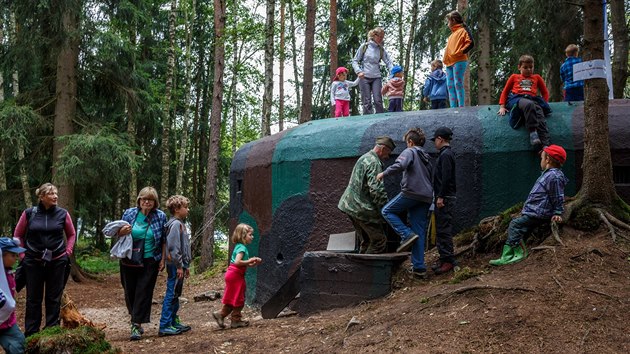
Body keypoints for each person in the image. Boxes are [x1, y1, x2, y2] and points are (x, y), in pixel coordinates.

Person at [13, 183, 76, 337]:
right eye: (51, 193)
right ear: (41, 197)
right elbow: (17, 235)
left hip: (57, 261)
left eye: (56, 193)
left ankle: (51, 331)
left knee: (53, 298)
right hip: (33, 261)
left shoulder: (63, 213)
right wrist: (22, 255)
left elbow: (72, 234)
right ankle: (32, 333)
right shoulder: (29, 213)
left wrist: (67, 252)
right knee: (33, 298)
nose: (55, 196)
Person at [490, 145, 568, 266]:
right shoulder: (549, 174)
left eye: (542, 158)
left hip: (539, 213)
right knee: (518, 225)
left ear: (547, 159)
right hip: (535, 211)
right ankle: (508, 254)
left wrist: (557, 212)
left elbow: (557, 196)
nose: (540, 161)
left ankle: (519, 251)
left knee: (515, 225)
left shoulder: (554, 176)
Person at [377, 128, 433, 279]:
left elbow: (400, 165)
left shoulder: (410, 151)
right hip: (426, 197)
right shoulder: (426, 156)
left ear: (410, 142)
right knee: (419, 231)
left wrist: (384, 173)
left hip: (412, 193)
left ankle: (406, 234)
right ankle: (419, 268)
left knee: (387, 211)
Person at [117, 186, 167, 340]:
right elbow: (118, 233)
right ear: (139, 200)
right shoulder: (130, 213)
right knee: (129, 290)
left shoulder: (160, 216)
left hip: (150, 259)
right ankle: (135, 316)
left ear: (155, 202)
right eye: (144, 199)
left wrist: (163, 259)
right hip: (129, 258)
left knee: (143, 291)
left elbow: (164, 240)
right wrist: (122, 232)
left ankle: (136, 324)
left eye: (150, 199)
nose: (147, 202)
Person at [338, 136, 395, 254]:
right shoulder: (374, 163)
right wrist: (386, 209)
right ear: (383, 148)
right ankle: (367, 271)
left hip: (350, 206)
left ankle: (358, 269)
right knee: (379, 241)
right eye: (388, 153)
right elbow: (376, 190)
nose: (387, 157)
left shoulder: (364, 158)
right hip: (362, 209)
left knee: (367, 241)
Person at [212, 224, 262, 329]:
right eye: (250, 235)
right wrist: (250, 260)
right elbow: (237, 261)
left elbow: (240, 262)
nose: (252, 237)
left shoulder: (239, 246)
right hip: (235, 275)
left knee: (233, 297)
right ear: (243, 236)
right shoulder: (242, 248)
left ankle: (221, 315)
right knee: (239, 298)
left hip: (233, 274)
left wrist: (250, 263)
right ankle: (235, 320)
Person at [498, 54, 552, 147]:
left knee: (540, 115)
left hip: (532, 98)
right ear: (519, 67)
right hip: (517, 98)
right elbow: (505, 91)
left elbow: (545, 92)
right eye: (525, 67)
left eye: (531, 67)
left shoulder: (537, 77)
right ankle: (533, 132)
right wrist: (502, 106)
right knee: (529, 104)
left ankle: (545, 145)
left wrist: (544, 103)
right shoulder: (514, 77)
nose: (529, 69)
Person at [158, 195, 192, 337]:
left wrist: (185, 265)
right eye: (185, 207)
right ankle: (164, 325)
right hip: (174, 265)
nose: (188, 209)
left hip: (179, 265)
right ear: (177, 209)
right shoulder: (175, 225)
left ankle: (172, 321)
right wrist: (179, 266)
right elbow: (173, 246)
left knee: (176, 294)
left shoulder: (179, 223)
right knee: (171, 293)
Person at [430, 127, 458, 275]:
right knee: (441, 229)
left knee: (444, 230)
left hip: (445, 198)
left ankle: (448, 260)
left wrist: (440, 196)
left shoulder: (446, 155)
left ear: (440, 139)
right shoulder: (445, 154)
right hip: (444, 196)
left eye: (435, 140)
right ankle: (444, 257)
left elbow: (446, 177)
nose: (435, 143)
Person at [351, 27, 394, 115]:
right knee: (366, 101)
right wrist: (358, 71)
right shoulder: (364, 46)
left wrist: (393, 73)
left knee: (378, 100)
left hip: (376, 77)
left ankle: (380, 120)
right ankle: (367, 121)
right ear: (374, 36)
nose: (381, 39)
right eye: (380, 37)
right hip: (364, 77)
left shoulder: (381, 49)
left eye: (383, 37)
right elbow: (355, 61)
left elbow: (388, 62)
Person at [443, 10, 473, 108]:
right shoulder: (451, 35)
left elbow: (471, 43)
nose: (448, 24)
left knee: (457, 83)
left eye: (448, 21)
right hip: (449, 62)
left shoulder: (463, 30)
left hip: (459, 60)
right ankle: (453, 107)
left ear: (454, 20)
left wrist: (460, 52)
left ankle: (461, 107)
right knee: (450, 85)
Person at [0, 238, 26, 353]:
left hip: (8, 323)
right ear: (1, 256)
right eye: (12, 255)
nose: (16, 258)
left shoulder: (9, 273)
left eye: (16, 255)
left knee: (19, 344)